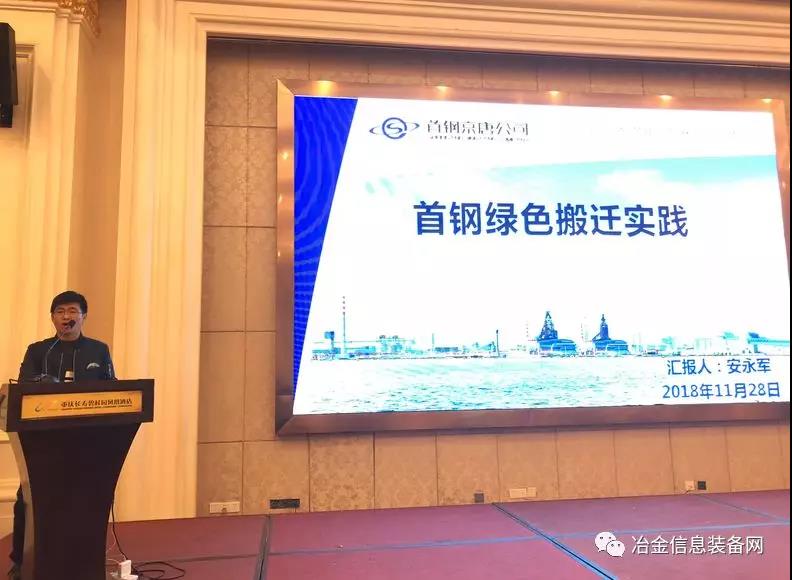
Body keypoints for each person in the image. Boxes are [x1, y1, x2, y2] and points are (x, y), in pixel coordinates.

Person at [8, 290, 116, 580]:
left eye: (72, 311)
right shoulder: (39, 351)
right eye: (60, 311)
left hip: (86, 443)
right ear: (53, 318)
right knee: (28, 500)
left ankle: (83, 561)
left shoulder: (98, 350)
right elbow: (23, 389)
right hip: (43, 443)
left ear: (83, 316)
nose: (66, 317)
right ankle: (21, 560)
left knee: (83, 501)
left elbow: (112, 389)